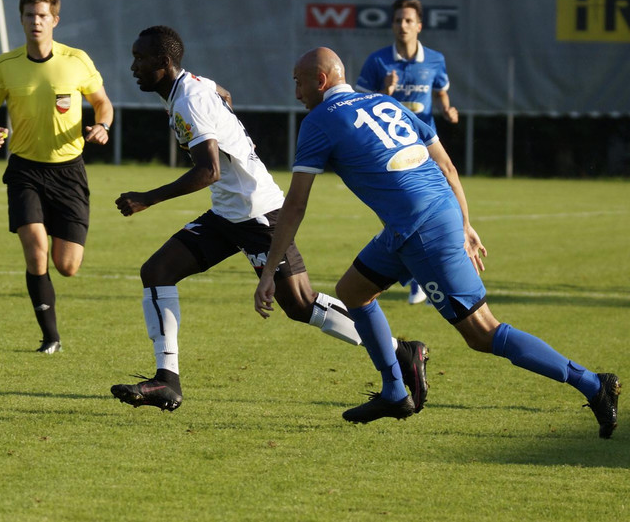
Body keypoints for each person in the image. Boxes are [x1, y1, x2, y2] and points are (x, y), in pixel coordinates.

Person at [255, 47, 620, 438]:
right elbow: (445, 165)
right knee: (353, 292)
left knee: (483, 332)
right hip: (419, 220)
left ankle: (594, 384)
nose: (295, 92)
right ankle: (395, 390)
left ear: (321, 80)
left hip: (421, 229)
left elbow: (294, 205)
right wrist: (465, 221)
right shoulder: (385, 101)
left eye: (298, 81)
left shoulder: (319, 120)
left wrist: (270, 272)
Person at [109, 26, 428, 412]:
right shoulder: (190, 87)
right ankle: (167, 380)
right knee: (157, 270)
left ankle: (401, 351)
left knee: (300, 304)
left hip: (258, 212)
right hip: (228, 213)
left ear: (164, 62)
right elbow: (221, 92)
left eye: (140, 59)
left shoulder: (188, 99)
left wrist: (148, 198)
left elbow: (208, 170)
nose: (132, 66)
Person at [0, 0, 114, 354]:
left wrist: (102, 126)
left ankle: (52, 320)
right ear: (21, 19)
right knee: (36, 252)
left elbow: (102, 103)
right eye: (28, 15)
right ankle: (50, 338)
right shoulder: (6, 64)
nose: (35, 21)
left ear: (54, 20)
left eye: (41, 15)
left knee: (66, 266)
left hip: (69, 171)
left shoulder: (76, 60)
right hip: (25, 171)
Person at [356, 0, 458, 306]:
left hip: (426, 144)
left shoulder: (435, 60)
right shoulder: (378, 62)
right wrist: (384, 92)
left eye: (408, 20)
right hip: (391, 149)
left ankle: (429, 274)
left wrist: (447, 109)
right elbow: (359, 106)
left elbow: (440, 91)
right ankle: (417, 278)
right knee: (405, 211)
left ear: (419, 26)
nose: (402, 25)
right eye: (398, 20)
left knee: (439, 204)